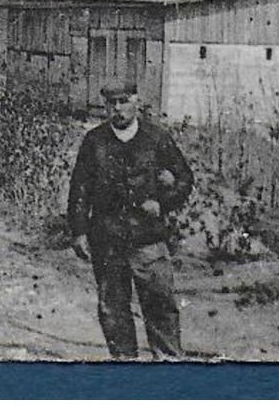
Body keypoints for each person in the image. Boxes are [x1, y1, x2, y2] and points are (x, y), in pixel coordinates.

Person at [67, 78, 194, 360]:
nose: (117, 109)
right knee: (112, 309)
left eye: (123, 101)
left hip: (147, 239)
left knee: (160, 305)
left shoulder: (156, 138)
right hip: (107, 239)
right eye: (111, 103)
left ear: (136, 100)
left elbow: (185, 178)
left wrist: (162, 203)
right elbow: (80, 189)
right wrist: (79, 232)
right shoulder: (94, 141)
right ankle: (125, 367)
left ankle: (170, 366)